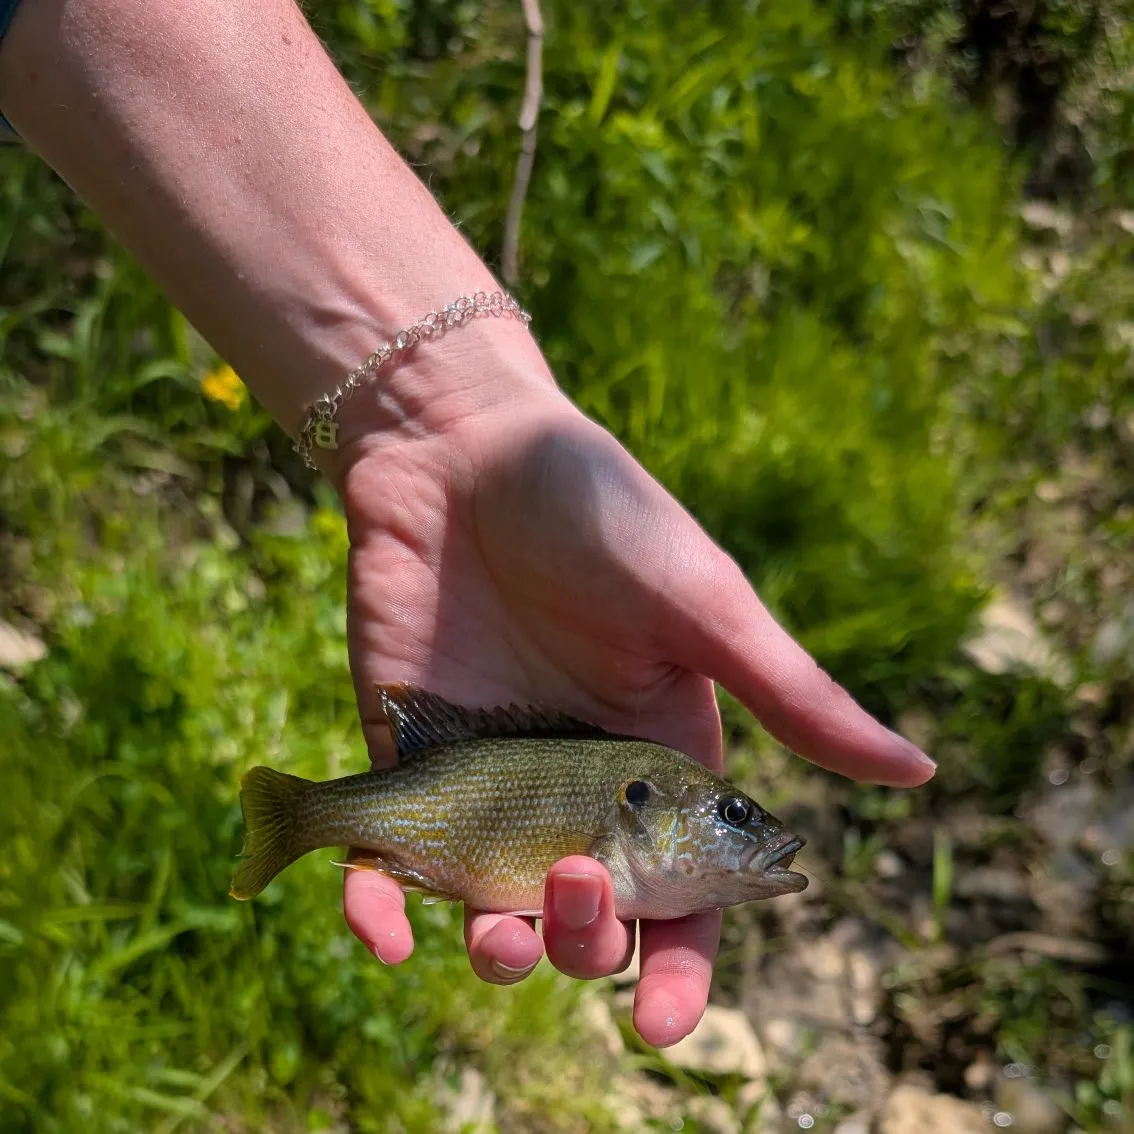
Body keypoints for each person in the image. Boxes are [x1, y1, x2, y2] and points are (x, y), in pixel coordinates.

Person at [0, 0, 935, 1047]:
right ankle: (300, 814)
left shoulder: (637, 793)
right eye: (733, 817)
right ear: (643, 806)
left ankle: (307, 816)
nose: (752, 831)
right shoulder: (628, 787)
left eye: (741, 820)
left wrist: (457, 417)